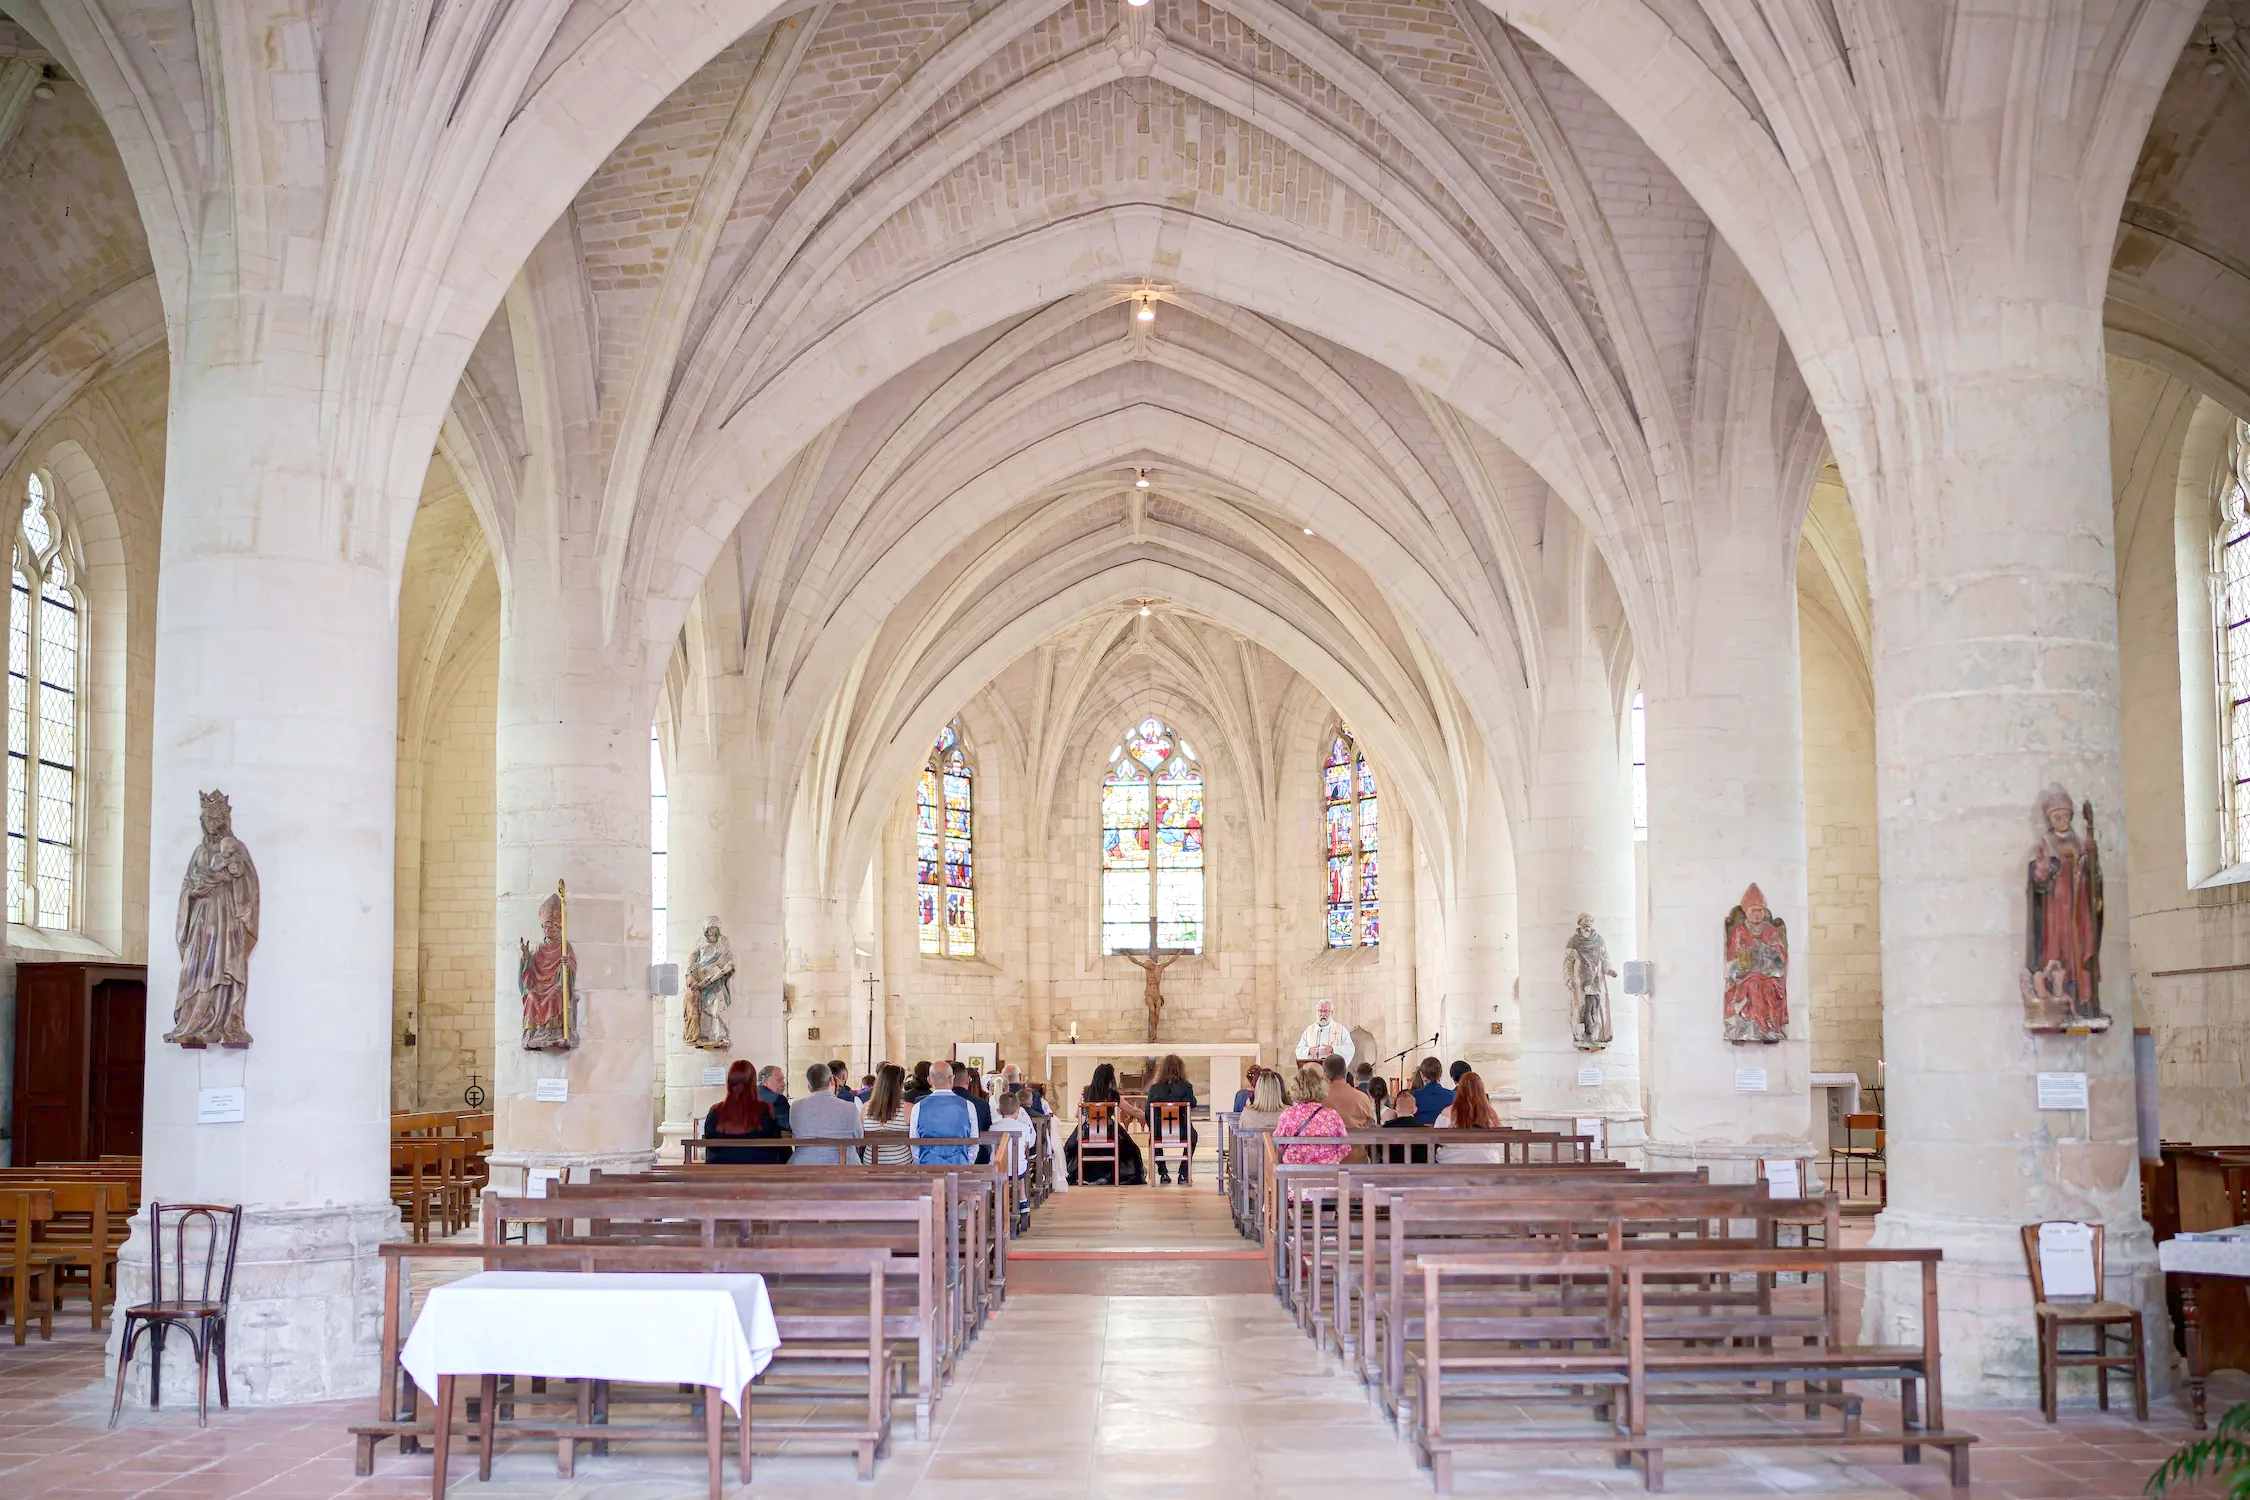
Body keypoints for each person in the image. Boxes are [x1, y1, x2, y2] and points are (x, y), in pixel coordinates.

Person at [1066, 1062, 1148, 1185]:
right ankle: (1111, 1175)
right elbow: (1133, 1111)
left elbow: (1078, 1115)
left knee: (1073, 1146)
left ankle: (1086, 1175)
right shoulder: (1113, 1095)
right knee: (1130, 1149)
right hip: (1109, 1133)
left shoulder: (1086, 1093)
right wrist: (1149, 1116)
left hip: (1089, 1132)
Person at [702, 1059, 787, 1164]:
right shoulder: (764, 1109)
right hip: (758, 1166)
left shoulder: (716, 1111)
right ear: (753, 1083)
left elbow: (710, 1142)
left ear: (729, 1083)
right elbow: (774, 1141)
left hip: (722, 1166)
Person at [790, 1061, 866, 1165]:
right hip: (843, 1166)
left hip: (805, 1166)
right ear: (832, 1081)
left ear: (809, 1087)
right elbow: (859, 1139)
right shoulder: (850, 1107)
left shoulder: (796, 1107)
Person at [1273, 1064, 1349, 1165]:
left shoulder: (1288, 1114)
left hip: (1294, 1171)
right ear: (1321, 1087)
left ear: (1295, 1088)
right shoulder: (1332, 1115)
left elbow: (1279, 1146)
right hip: (1327, 1172)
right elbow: (1343, 1149)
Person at [1143, 1053, 1199, 1185]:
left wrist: (1153, 1127)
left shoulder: (1154, 1089)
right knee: (1193, 1136)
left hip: (1159, 1132)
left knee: (1153, 1135)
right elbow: (1193, 1103)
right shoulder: (1186, 1087)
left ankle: (1163, 1172)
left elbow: (1147, 1113)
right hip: (1182, 1131)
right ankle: (1183, 1173)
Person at [910, 1060, 979, 1164]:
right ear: (951, 1078)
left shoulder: (918, 1107)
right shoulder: (968, 1105)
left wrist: (921, 1165)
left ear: (929, 1080)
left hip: (928, 1165)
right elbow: (974, 1143)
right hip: (960, 1166)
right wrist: (966, 1165)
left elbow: (914, 1144)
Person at [1435, 1071, 1506, 1163]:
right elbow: (1498, 1138)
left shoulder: (1448, 1112)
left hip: (1454, 1158)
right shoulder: (1490, 1113)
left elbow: (1437, 1137)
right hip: (1486, 1159)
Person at [861, 1063, 915, 1164]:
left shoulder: (865, 1108)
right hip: (901, 1165)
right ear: (901, 1086)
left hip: (871, 1165)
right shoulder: (908, 1109)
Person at [952, 1062, 995, 1162]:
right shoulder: (981, 1104)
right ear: (968, 1079)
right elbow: (986, 1129)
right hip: (978, 1159)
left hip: (944, 1158)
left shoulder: (939, 1103)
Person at [1321, 1054, 1376, 1130]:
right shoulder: (1362, 1098)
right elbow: (1371, 1125)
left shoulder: (1319, 1098)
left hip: (1326, 1137)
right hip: (1357, 1137)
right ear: (1345, 1071)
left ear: (1324, 1074)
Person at [1294, 999, 1355, 1066]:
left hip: (1333, 1068)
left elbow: (1350, 1049)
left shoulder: (1341, 1029)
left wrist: (1333, 1049)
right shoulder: (1309, 1030)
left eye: (1326, 1011)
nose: (1323, 1014)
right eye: (1320, 1011)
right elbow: (1299, 1050)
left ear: (1331, 1012)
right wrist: (1309, 1051)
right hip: (1314, 1069)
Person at [1234, 1070, 1287, 1136]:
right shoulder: (1289, 1115)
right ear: (1278, 1091)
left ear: (1257, 1090)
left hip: (1253, 1143)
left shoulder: (1246, 1114)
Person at [1408, 1057, 1455, 1125]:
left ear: (1421, 1074)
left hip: (1419, 1131)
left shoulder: (1412, 1097)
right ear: (1440, 1074)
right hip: (1444, 1131)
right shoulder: (1453, 1095)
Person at [757, 1064, 793, 1133]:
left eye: (783, 1080)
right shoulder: (778, 1099)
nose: (784, 1084)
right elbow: (789, 1126)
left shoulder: (745, 1097)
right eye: (779, 1080)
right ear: (765, 1082)